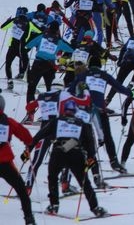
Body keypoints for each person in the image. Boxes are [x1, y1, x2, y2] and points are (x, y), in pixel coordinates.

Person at [28, 99, 107, 218]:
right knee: (84, 182)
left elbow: (40, 135)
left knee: (52, 177)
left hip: (59, 152)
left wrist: (30, 147)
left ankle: (54, 205)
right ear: (75, 111)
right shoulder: (81, 123)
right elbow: (89, 143)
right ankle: (95, 208)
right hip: (75, 153)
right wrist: (91, 158)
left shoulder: (57, 121)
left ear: (64, 111)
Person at [0, 94, 36, 225]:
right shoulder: (7, 121)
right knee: (21, 190)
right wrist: (29, 143)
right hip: (4, 162)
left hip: (4, 160)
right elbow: (23, 133)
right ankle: (29, 218)